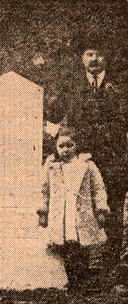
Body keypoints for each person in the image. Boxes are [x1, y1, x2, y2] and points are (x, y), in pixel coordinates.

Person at [48, 37, 128, 264]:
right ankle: (80, 269)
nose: (94, 59)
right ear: (82, 59)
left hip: (113, 158)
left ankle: (111, 266)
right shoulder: (72, 87)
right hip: (79, 159)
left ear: (106, 59)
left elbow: (121, 121)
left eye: (99, 54)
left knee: (110, 207)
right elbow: (54, 119)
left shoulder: (121, 86)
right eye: (89, 54)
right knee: (77, 207)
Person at [37, 127, 110, 293]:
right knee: (66, 247)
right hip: (62, 212)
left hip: (80, 211)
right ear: (56, 147)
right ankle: (72, 281)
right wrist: (43, 211)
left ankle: (83, 280)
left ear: (76, 145)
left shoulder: (87, 166)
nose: (65, 150)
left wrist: (100, 210)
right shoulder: (52, 168)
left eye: (69, 145)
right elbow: (44, 190)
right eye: (61, 146)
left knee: (81, 245)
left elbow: (98, 188)